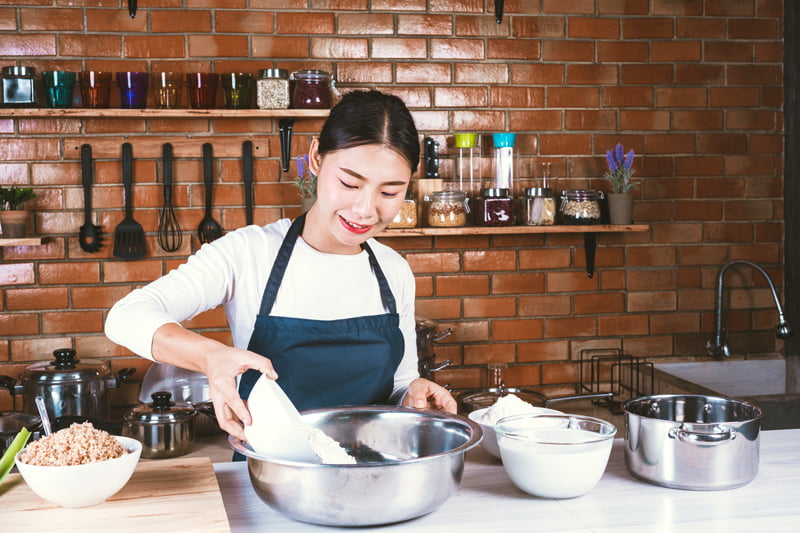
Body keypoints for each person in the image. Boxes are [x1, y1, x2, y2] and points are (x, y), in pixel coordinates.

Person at [105, 90, 456, 443]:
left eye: (390, 192)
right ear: (316, 157)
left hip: (376, 474)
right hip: (273, 481)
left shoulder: (393, 269)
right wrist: (210, 356)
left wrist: (411, 394)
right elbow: (125, 317)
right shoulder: (249, 253)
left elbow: (398, 384)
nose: (365, 209)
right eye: (349, 183)